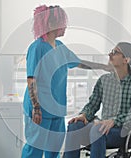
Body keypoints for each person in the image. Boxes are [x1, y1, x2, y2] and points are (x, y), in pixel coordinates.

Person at [22, 5, 111, 158]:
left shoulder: (60, 47)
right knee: (34, 149)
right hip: (40, 109)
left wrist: (104, 66)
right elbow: (31, 80)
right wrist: (36, 108)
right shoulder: (37, 48)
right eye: (61, 23)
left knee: (54, 150)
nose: (65, 26)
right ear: (50, 25)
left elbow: (80, 63)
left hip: (56, 109)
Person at [63, 42, 131, 158]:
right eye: (111, 51)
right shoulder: (104, 80)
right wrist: (84, 115)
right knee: (75, 126)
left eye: (115, 52)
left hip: (126, 130)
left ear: (126, 60)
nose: (110, 54)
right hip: (102, 127)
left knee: (98, 129)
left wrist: (115, 121)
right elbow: (92, 105)